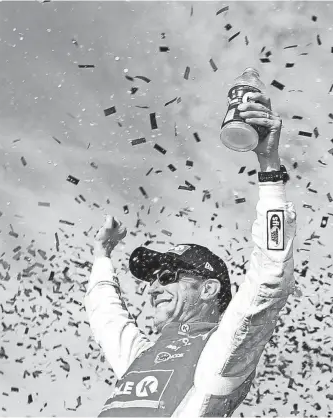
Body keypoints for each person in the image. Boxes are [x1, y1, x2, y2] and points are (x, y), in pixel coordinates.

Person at [84, 90, 297, 417]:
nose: (153, 288)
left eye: (167, 277)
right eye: (152, 280)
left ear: (209, 289)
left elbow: (270, 275)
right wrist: (102, 254)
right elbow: (105, 317)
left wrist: (269, 165)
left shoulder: (222, 354)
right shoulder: (141, 357)